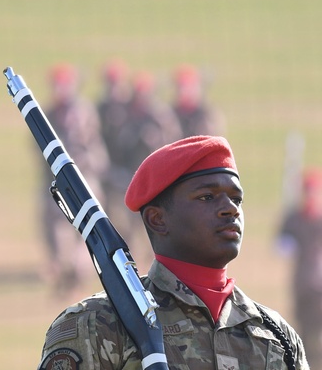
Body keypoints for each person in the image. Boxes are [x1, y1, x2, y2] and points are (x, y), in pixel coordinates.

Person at [37, 136, 310, 369]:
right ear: (158, 219)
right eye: (207, 197)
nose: (231, 209)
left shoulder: (277, 338)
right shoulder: (98, 325)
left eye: (236, 199)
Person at [98, 69, 182, 273]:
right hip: (125, 174)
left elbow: (170, 142)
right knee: (121, 216)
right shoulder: (123, 115)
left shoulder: (160, 116)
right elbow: (115, 144)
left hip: (153, 175)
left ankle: (153, 253)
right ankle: (128, 251)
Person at [39, 63, 110, 299]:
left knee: (85, 231)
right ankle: (65, 271)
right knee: (55, 230)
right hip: (57, 181)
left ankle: (76, 275)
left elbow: (87, 147)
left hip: (83, 178)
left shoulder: (79, 112)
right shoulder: (49, 113)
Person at [276, 168, 322, 369]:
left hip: (318, 284)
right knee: (304, 331)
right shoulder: (294, 218)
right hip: (302, 284)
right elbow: (281, 246)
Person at [171, 64, 225, 138]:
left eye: (191, 87)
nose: (186, 91)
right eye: (182, 87)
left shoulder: (207, 114)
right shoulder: (169, 115)